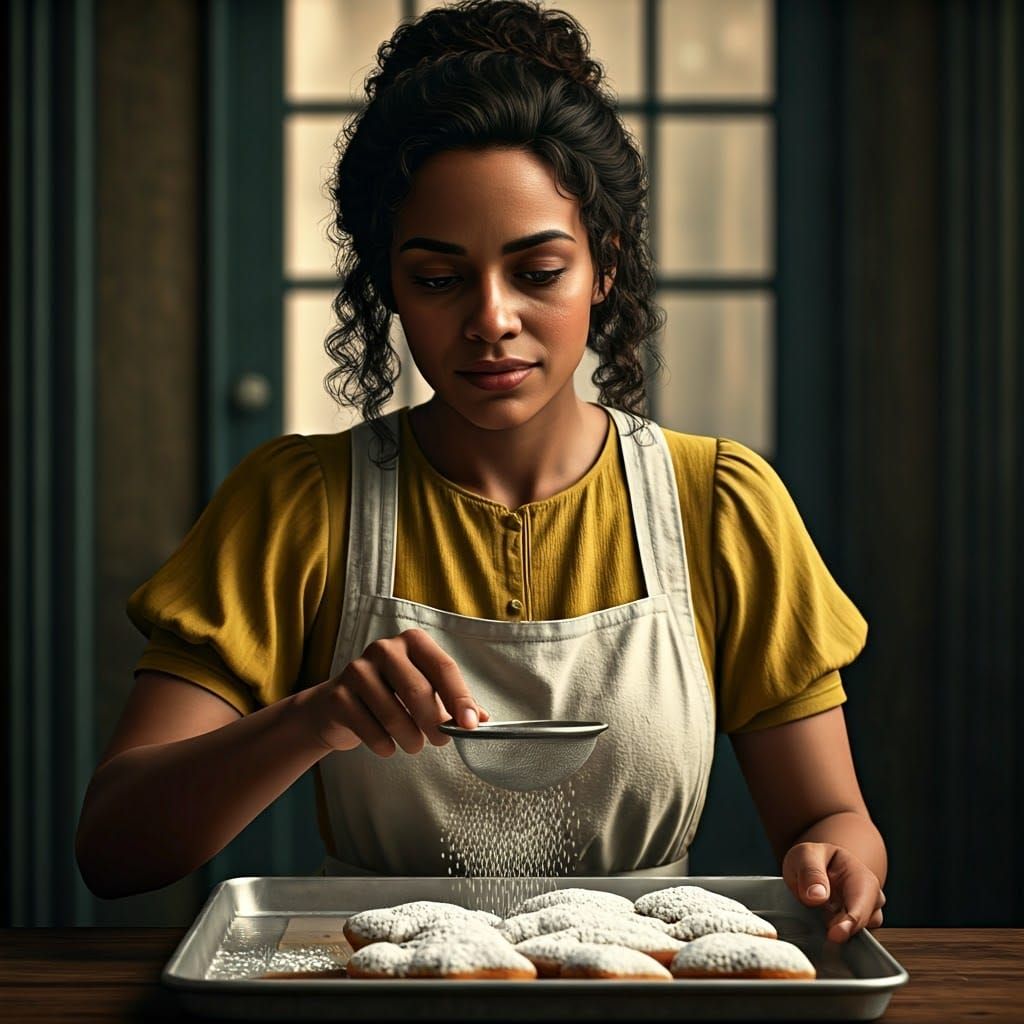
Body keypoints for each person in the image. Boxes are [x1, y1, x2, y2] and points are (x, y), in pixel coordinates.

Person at [76, 0, 886, 943]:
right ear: (388, 284)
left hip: (642, 992)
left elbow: (832, 822)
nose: (490, 319)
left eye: (538, 271)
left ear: (605, 266)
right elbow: (116, 849)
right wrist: (315, 718)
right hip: (375, 988)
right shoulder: (299, 506)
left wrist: (839, 862)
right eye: (437, 278)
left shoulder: (718, 506)